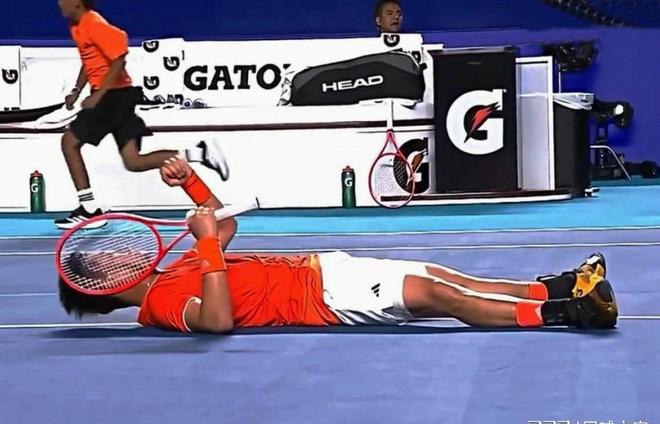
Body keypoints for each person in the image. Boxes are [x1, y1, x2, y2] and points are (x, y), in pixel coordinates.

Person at [57, 155, 618, 333]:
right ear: (103, 286)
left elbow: (220, 229)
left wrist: (192, 185)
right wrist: (205, 249)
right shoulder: (160, 305)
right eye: (105, 259)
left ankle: (557, 286)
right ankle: (567, 313)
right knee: (438, 296)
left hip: (322, 268)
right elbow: (217, 319)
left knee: (446, 277)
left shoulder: (177, 269)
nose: (118, 251)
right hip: (322, 300)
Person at [55, 0, 227, 229]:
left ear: (77, 3)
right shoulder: (77, 27)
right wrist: (77, 91)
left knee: (69, 142)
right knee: (133, 161)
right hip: (117, 96)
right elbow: (90, 62)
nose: (59, 3)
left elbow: (119, 57)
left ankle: (89, 209)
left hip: (112, 96)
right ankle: (198, 153)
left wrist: (99, 95)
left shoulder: (93, 23)